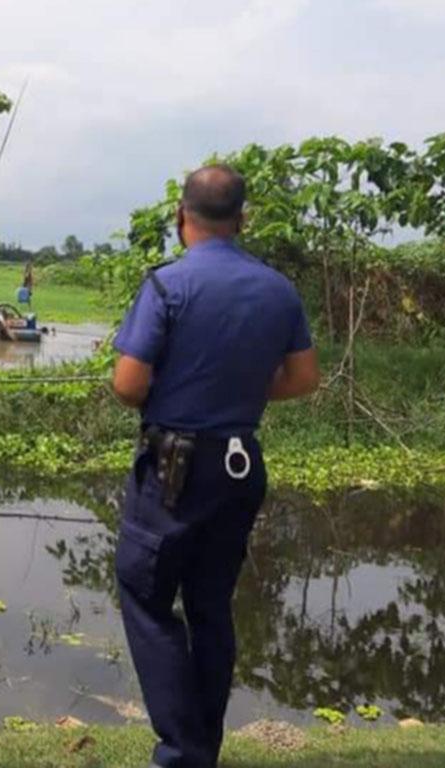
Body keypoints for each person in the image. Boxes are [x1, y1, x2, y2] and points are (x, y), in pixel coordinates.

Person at [110, 165, 319, 768]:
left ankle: (184, 753)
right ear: (242, 220)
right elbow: (304, 379)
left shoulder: (168, 285)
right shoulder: (277, 288)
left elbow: (128, 384)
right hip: (239, 464)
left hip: (176, 470)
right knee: (210, 604)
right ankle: (202, 746)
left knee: (145, 593)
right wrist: (241, 396)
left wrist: (175, 393)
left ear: (181, 219)